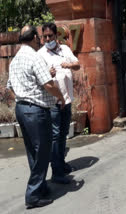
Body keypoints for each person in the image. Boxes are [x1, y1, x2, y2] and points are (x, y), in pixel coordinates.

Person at [7, 25, 65, 209]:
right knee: (44, 151)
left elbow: (9, 87)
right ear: (33, 38)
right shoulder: (34, 56)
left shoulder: (15, 59)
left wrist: (23, 97)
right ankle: (32, 194)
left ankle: (40, 187)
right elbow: (48, 84)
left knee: (34, 151)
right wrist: (60, 96)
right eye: (39, 37)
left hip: (22, 109)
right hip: (36, 111)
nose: (41, 40)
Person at [38, 23, 80, 184]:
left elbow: (77, 65)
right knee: (55, 136)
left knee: (63, 134)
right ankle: (56, 172)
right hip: (53, 102)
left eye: (50, 36)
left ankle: (61, 164)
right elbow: (38, 79)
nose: (47, 39)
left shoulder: (65, 50)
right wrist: (47, 74)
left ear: (56, 36)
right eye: (45, 36)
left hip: (67, 100)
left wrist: (68, 64)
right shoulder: (41, 55)